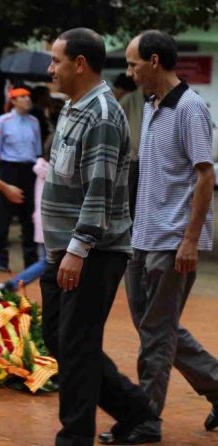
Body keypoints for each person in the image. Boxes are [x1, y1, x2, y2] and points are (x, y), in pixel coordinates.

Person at [100, 30, 218, 444]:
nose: (128, 71)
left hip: (172, 241)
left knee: (156, 333)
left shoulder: (190, 108)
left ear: (153, 60)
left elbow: (206, 175)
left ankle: (145, 419)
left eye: (132, 64)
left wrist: (189, 240)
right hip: (143, 237)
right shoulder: (150, 105)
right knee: (156, 327)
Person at [42, 28, 156, 446]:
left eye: (55, 61)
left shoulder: (103, 115)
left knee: (75, 345)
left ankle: (74, 437)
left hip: (91, 252)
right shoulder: (73, 107)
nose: (50, 69)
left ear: (80, 64)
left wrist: (77, 250)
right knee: (61, 339)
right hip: (64, 249)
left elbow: (100, 191)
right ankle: (137, 413)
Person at [0, 87, 41, 272]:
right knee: (3, 217)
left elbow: (37, 150)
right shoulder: (3, 121)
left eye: (28, 96)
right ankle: (0, 259)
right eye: (22, 97)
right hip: (9, 168)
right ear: (13, 100)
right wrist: (1, 173)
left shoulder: (34, 121)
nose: (27, 100)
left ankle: (31, 259)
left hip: (29, 170)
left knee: (29, 216)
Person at [0, 156, 48, 292]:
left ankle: (12, 285)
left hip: (43, 222)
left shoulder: (42, 169)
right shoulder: (52, 172)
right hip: (50, 224)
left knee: (47, 261)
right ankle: (12, 285)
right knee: (46, 261)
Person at [118, 86, 145, 218]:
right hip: (132, 158)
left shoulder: (159, 99)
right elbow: (117, 123)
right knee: (129, 197)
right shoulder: (130, 99)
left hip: (150, 161)